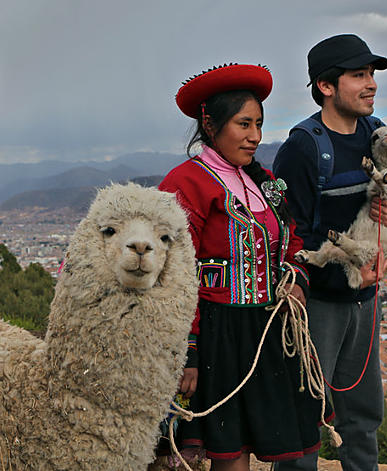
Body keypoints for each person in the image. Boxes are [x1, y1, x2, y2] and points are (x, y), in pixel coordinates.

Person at [159, 63, 330, 471]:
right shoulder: (186, 184)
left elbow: (293, 240)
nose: (255, 136)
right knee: (230, 457)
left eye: (259, 124)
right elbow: (174, 274)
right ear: (210, 123)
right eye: (243, 124)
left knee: (258, 448)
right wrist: (191, 351)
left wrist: (296, 280)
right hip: (219, 338)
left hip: (267, 334)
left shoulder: (263, 180)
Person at [272, 34, 387, 471]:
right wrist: (341, 277)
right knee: (306, 410)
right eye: (358, 75)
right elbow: (288, 233)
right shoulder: (303, 148)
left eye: (371, 74)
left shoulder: (379, 136)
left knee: (363, 412)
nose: (371, 83)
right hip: (320, 303)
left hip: (365, 302)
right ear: (326, 86)